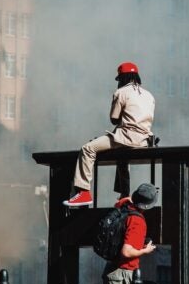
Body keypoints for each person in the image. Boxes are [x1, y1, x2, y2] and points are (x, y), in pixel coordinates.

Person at [64, 62, 155, 207]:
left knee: (88, 148)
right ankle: (124, 195)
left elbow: (114, 119)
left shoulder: (121, 93)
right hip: (145, 141)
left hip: (126, 137)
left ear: (122, 78)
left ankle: (83, 192)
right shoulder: (149, 95)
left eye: (119, 79)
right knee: (122, 155)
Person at [102, 183, 158, 284]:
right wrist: (146, 250)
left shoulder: (123, 206)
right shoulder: (137, 221)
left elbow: (121, 202)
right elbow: (126, 252)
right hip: (122, 273)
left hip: (113, 270)